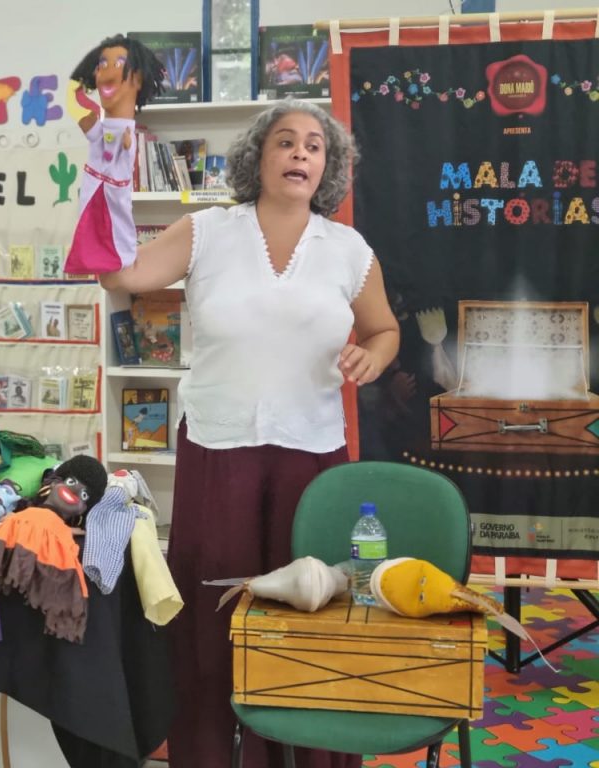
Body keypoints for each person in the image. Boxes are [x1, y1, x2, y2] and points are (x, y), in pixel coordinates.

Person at [99, 100, 400, 768]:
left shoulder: (348, 250)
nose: (299, 153)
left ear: (328, 166)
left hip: (313, 459)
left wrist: (374, 355)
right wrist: (105, 164)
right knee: (213, 620)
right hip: (218, 450)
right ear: (258, 157)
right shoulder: (206, 231)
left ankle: (316, 756)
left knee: (311, 618)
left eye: (313, 146)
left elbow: (383, 331)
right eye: (285, 142)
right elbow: (120, 275)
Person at [64, 33, 164, 274]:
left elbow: (123, 155)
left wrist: (127, 145)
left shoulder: (126, 129)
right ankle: (88, 258)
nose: (107, 71)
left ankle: (119, 256)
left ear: (138, 79)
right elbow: (99, 140)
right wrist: (90, 126)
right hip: (95, 180)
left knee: (115, 224)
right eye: (102, 64)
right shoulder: (105, 122)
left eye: (119, 64)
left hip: (112, 184)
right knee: (90, 224)